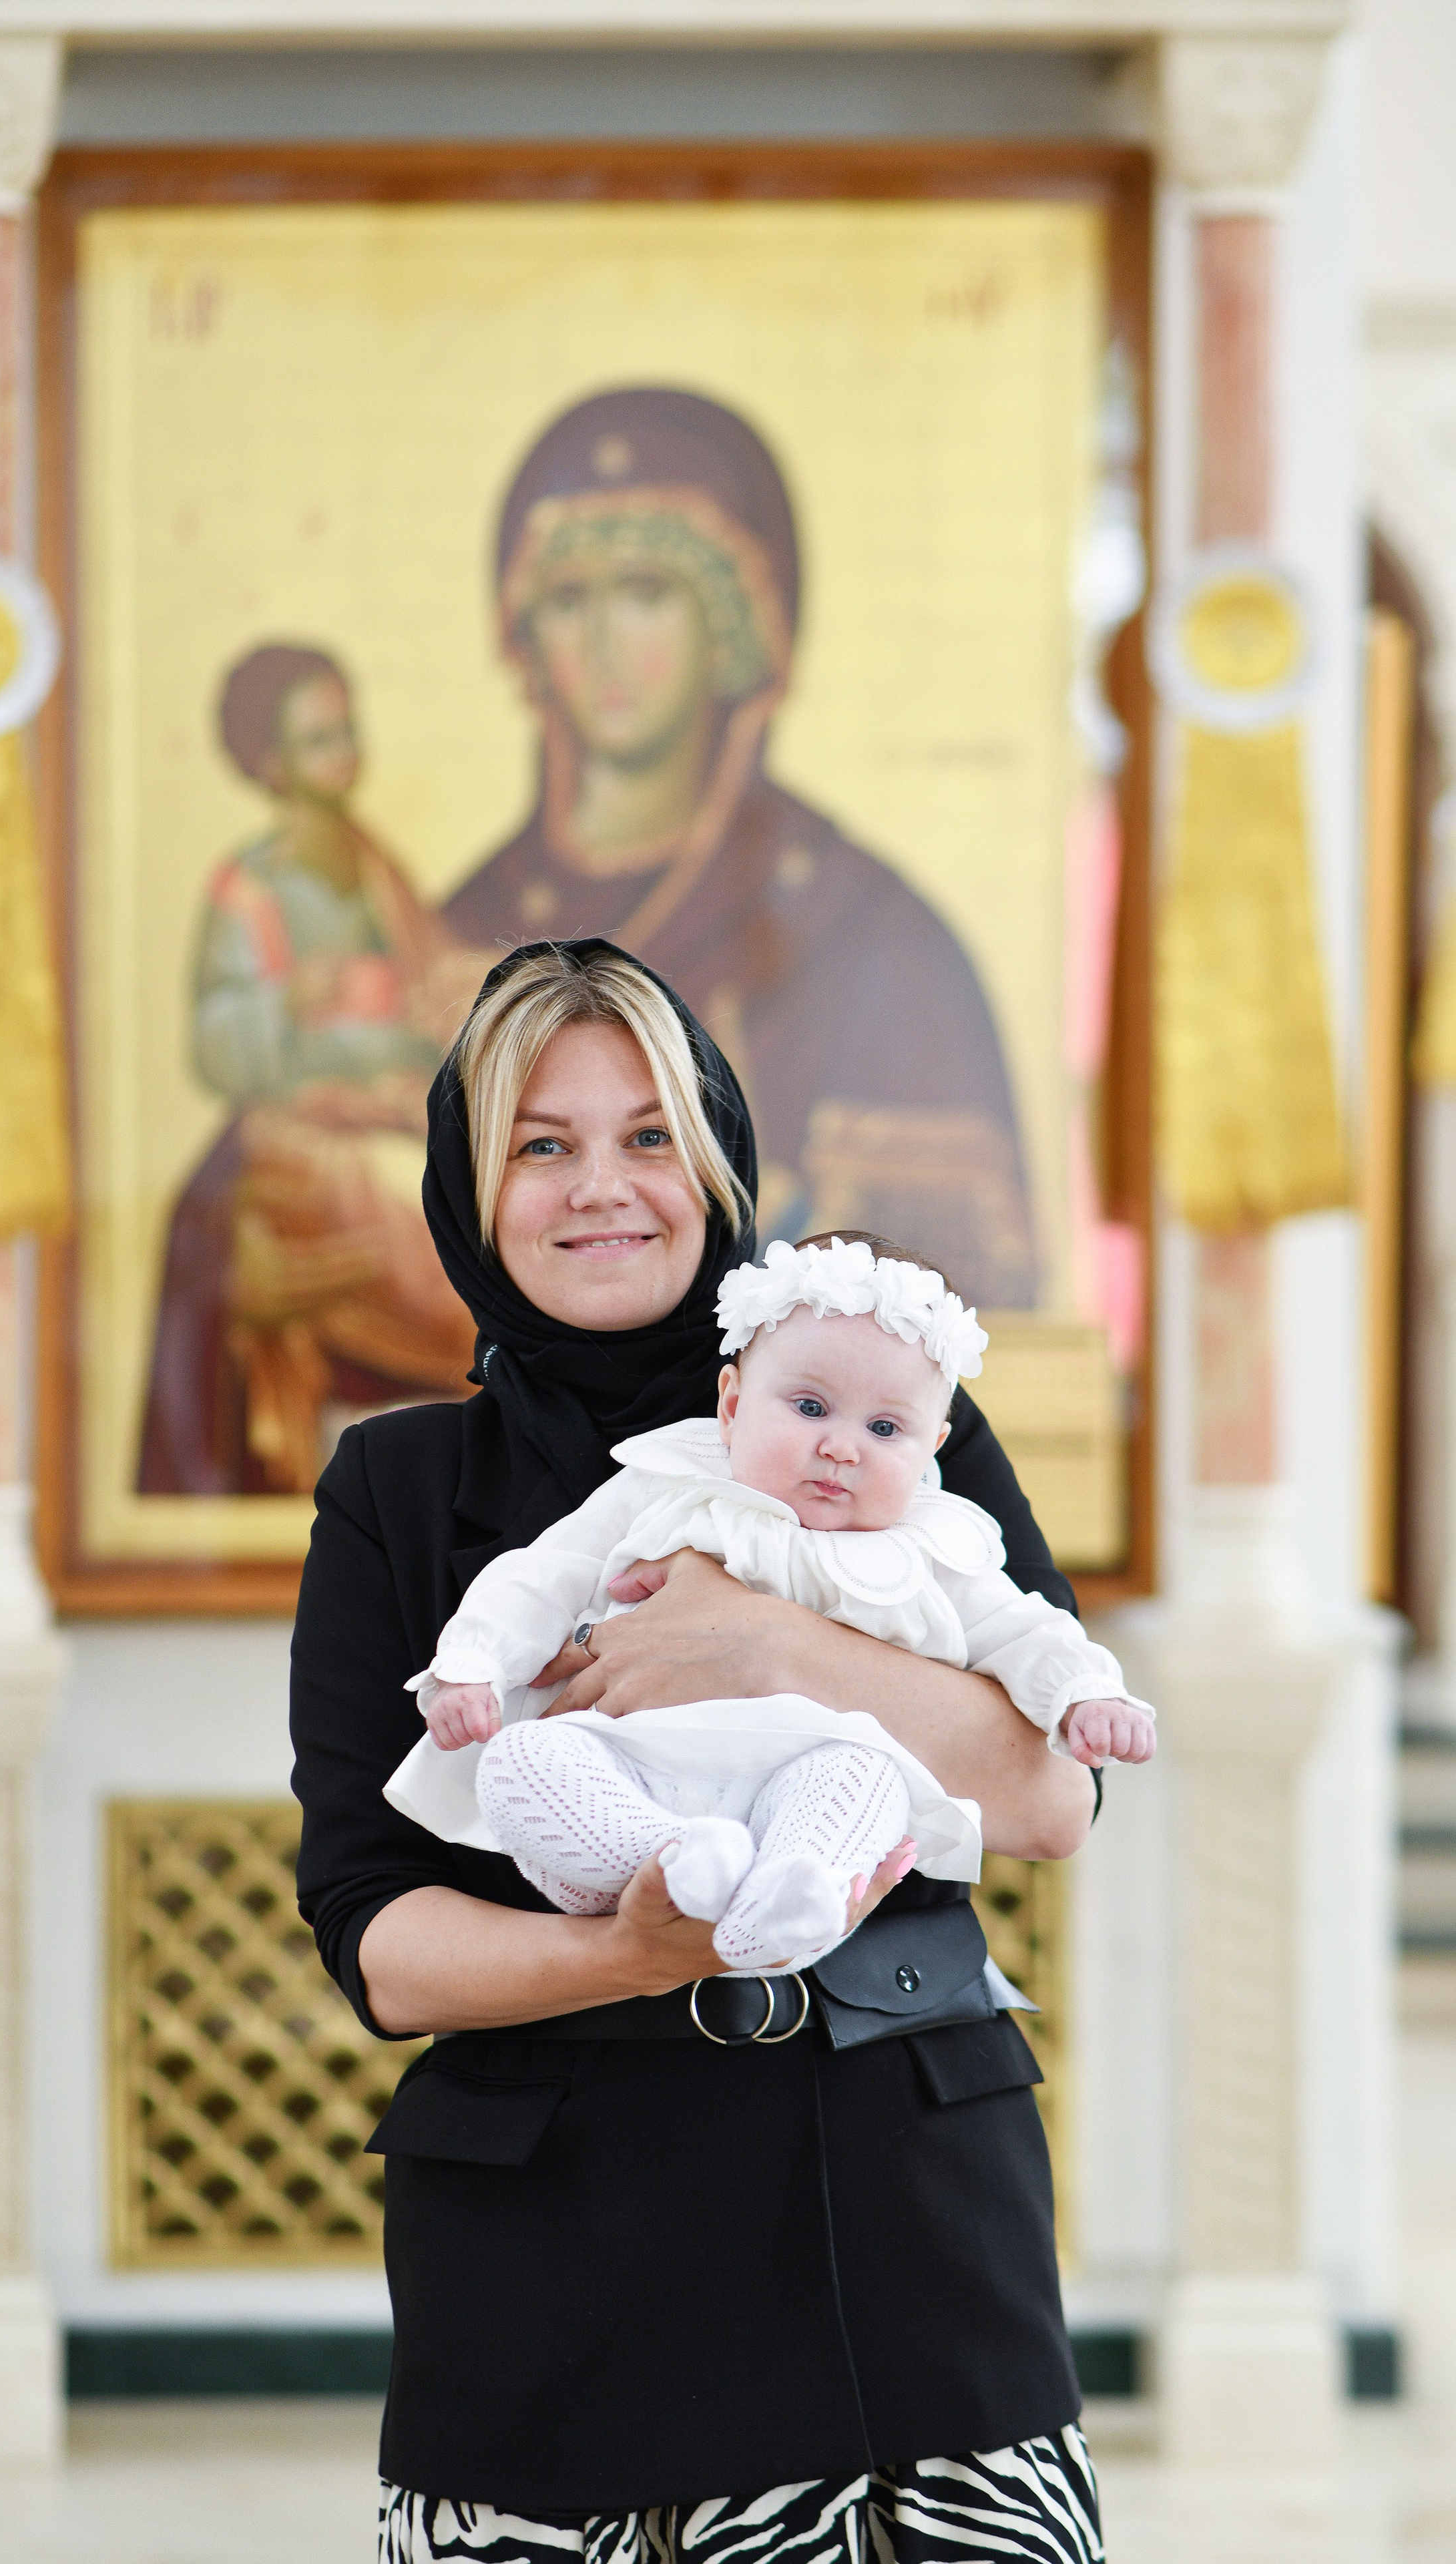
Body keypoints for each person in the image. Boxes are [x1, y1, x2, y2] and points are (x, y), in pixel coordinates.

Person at [291, 938, 1104, 2561]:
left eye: (648, 1134)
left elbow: (1044, 1790)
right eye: (543, 1141)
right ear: (470, 1184)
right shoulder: (394, 1490)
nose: (603, 1186)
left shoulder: (881, 1406)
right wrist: (632, 1946)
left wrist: (768, 1644)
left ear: (717, 1159)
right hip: (546, 2255)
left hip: (898, 2218)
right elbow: (378, 1939)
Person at [391, 1232, 1155, 1974]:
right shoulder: (667, 1483)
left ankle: (789, 1899)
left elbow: (1025, 1631)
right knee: (523, 1759)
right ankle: (674, 1861)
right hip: (638, 1764)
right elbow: (543, 1573)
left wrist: (1085, 1694)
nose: (841, 1447)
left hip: (812, 1775)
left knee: (866, 1781)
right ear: (731, 1402)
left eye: (885, 1428)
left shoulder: (932, 1547)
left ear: (933, 1449)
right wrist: (472, 1665)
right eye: (810, 1408)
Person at [443, 386, 1037, 1302]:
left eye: (646, 593)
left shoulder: (873, 942)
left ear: (731, 626)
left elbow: (948, 1323)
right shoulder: (459, 931)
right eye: (567, 599)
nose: (600, 643)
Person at [137, 642, 481, 1498]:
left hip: (391, 1108)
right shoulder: (252, 889)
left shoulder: (373, 867)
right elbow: (216, 1034)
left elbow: (426, 980)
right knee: (439, 1244)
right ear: (270, 763)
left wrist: (437, 999)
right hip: (303, 1130)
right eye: (318, 739)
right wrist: (291, 1000)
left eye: (346, 732)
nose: (343, 753)